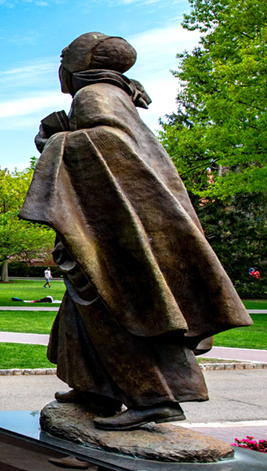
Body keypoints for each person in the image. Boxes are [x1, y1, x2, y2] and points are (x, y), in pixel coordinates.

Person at [20, 33, 252, 430]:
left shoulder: (94, 96)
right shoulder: (118, 96)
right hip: (121, 223)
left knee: (118, 307)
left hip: (116, 229)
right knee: (84, 307)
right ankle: (96, 387)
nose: (59, 66)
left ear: (80, 65)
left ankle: (154, 397)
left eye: (63, 58)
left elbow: (104, 147)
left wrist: (53, 140)